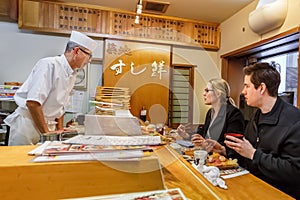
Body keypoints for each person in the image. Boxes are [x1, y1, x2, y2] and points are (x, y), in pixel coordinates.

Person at [4, 31, 97, 145]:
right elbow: (33, 103)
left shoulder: (72, 74)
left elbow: (61, 106)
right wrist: (46, 134)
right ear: (77, 51)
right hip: (28, 125)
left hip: (49, 126)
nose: (89, 60)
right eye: (89, 55)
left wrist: (60, 130)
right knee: (21, 161)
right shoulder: (49, 64)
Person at [224, 62, 300, 199]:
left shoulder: (294, 121)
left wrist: (254, 154)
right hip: (251, 186)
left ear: (261, 88)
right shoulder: (256, 116)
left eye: (247, 86)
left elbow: (294, 172)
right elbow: (247, 157)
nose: (243, 92)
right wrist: (224, 151)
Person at [178, 78, 245, 158]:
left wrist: (209, 144)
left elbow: (233, 144)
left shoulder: (234, 113)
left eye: (207, 90)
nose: (204, 94)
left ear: (218, 93)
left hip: (225, 159)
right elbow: (203, 133)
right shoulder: (210, 112)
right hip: (209, 156)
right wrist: (186, 135)